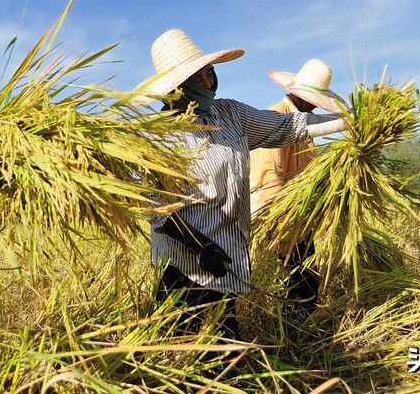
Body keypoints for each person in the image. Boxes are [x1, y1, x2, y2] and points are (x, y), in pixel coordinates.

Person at [133, 29, 344, 341]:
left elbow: (288, 125)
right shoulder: (155, 137)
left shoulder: (230, 113)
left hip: (228, 253)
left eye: (210, 73)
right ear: (175, 87)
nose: (207, 84)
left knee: (227, 341)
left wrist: (349, 120)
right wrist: (200, 245)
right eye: (197, 78)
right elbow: (156, 206)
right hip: (185, 262)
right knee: (181, 346)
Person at [250, 58, 345, 324]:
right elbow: (271, 176)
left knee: (306, 276)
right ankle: (292, 331)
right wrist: (276, 224)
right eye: (311, 98)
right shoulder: (276, 118)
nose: (314, 103)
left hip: (299, 218)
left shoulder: (305, 125)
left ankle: (306, 327)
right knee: (290, 278)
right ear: (297, 93)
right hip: (279, 216)